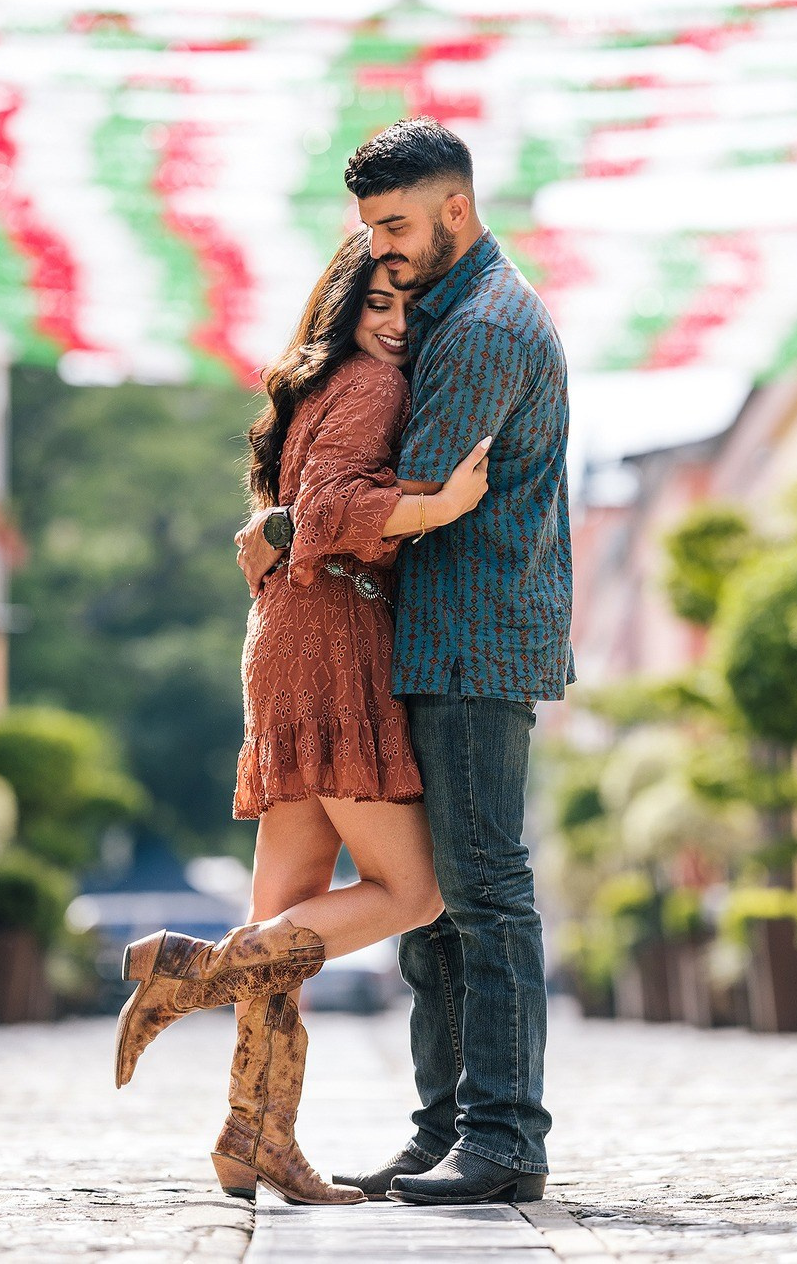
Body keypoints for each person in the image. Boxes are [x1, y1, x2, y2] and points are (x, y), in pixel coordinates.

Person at [112, 230, 492, 1207]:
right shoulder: (370, 384)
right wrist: (442, 504)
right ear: (345, 305)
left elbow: (288, 521)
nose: (398, 322)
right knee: (413, 890)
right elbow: (327, 512)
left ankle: (253, 1136)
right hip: (334, 646)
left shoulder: (313, 386)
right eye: (379, 301)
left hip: (281, 640)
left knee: (287, 916)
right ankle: (190, 973)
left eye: (413, 304)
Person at [236, 117, 573, 1207]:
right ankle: (441, 1132)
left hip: (466, 641)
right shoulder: (444, 314)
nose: (381, 248)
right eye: (369, 232)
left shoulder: (474, 330)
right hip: (417, 641)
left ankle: (504, 1135)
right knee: (433, 919)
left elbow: (402, 497)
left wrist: (295, 525)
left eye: (394, 226)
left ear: (454, 211)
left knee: (478, 895)